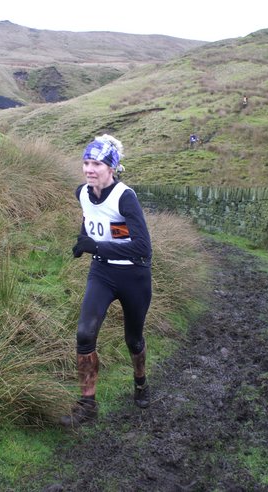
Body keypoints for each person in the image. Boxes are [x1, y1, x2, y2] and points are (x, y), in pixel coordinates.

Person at [60, 134, 153, 427]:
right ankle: (87, 405)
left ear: (111, 167)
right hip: (102, 272)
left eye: (97, 164)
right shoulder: (82, 193)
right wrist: (83, 241)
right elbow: (90, 218)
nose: (89, 169)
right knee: (84, 334)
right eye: (86, 162)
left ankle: (140, 382)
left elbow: (142, 247)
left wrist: (97, 246)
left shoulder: (125, 197)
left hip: (134, 275)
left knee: (133, 339)